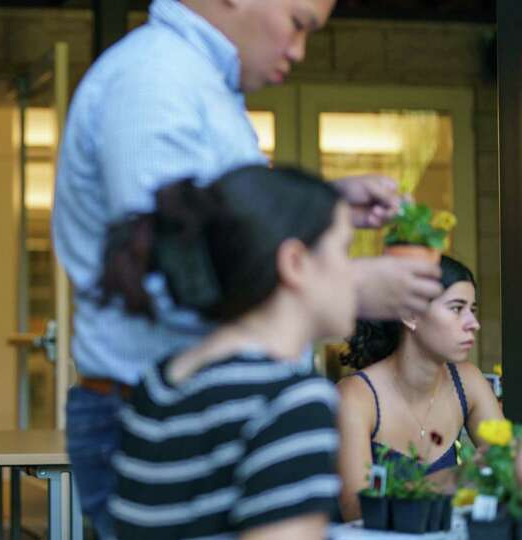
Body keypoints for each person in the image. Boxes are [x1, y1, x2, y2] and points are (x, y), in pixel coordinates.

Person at [50, 0, 445, 534]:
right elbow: (178, 271)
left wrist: (318, 211)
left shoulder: (192, 81)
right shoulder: (157, 82)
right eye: (298, 23)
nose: (299, 50)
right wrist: (348, 284)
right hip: (187, 417)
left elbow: (216, 232)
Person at [105, 166, 351, 539]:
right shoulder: (290, 400)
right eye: (345, 250)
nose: (356, 273)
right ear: (296, 263)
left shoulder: (159, 383)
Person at [336, 255, 503, 521]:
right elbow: (356, 511)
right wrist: (454, 478)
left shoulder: (468, 381)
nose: (473, 323)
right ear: (411, 315)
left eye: (473, 309)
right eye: (457, 308)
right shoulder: (356, 396)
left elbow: (506, 466)